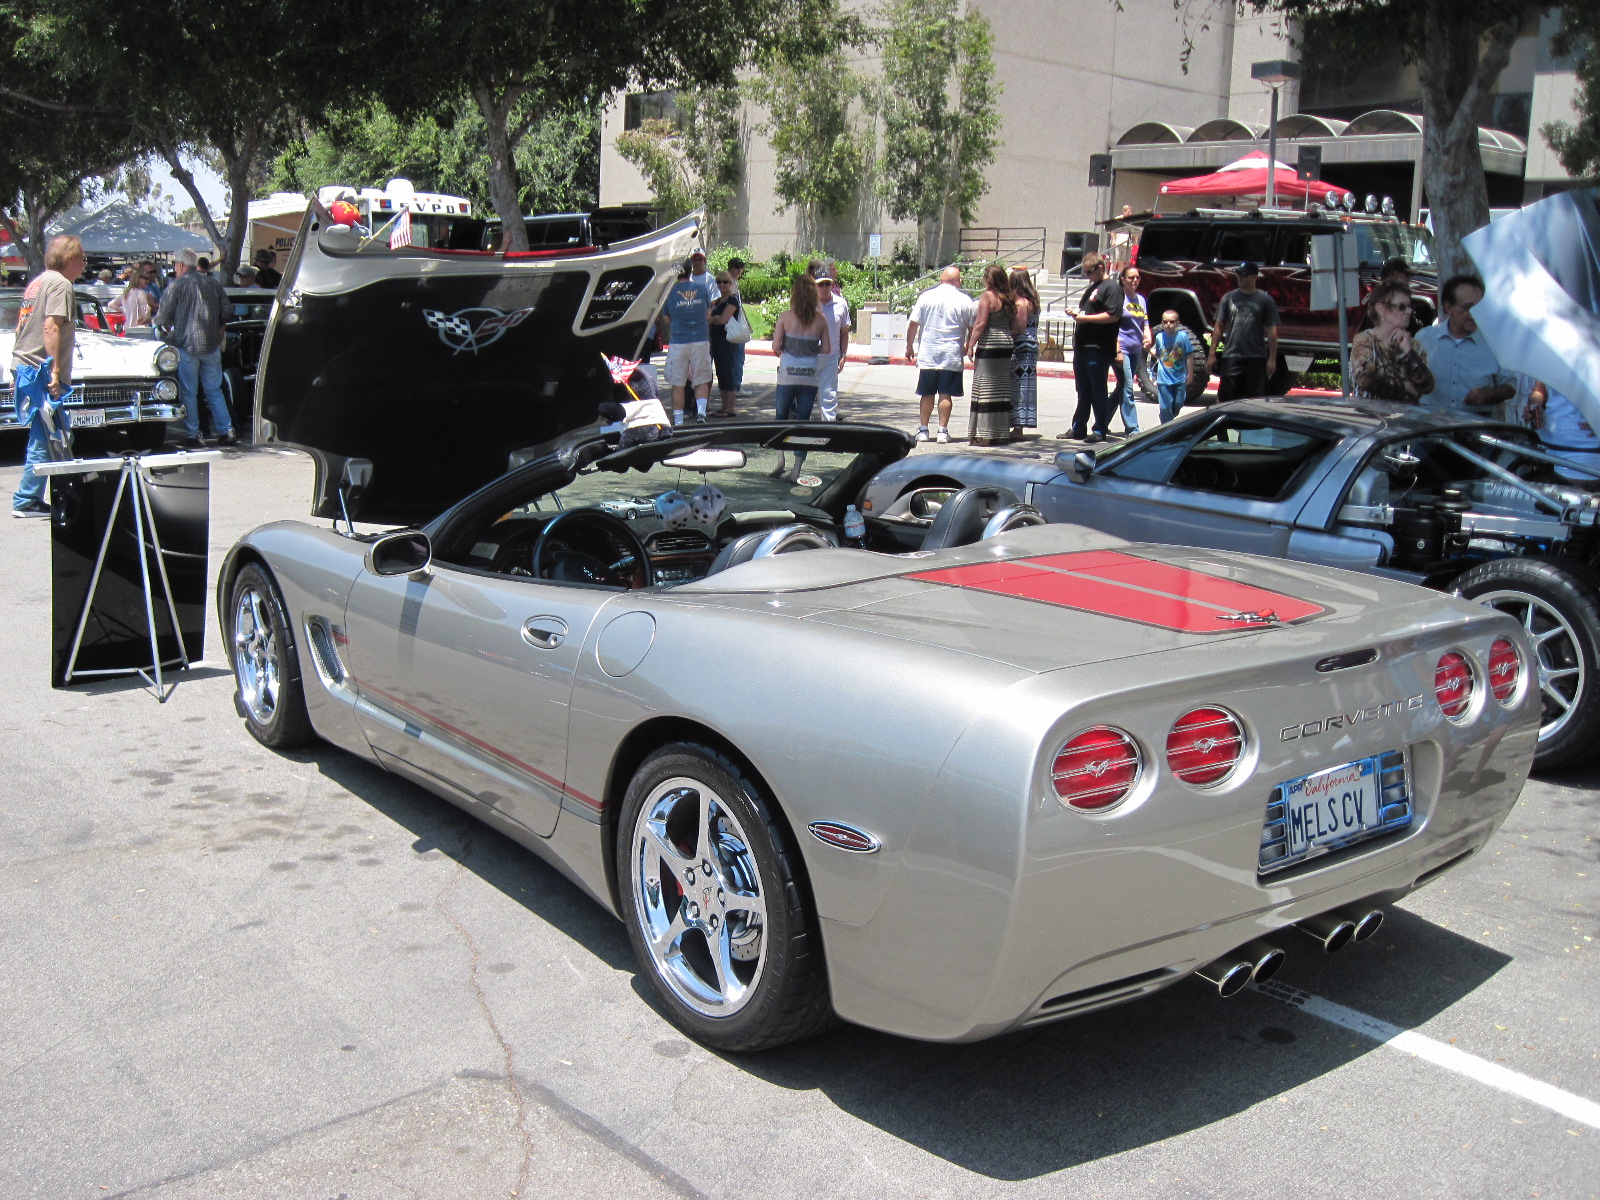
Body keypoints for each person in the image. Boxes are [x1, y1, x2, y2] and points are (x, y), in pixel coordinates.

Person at [11, 235, 85, 518]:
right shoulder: (61, 284)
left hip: (27, 366)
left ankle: (47, 495)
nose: (84, 263)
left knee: (56, 433)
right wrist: (54, 369)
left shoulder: (38, 282)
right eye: (81, 258)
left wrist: (15, 366)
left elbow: (23, 327)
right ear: (68, 259)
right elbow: (51, 326)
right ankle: (26, 499)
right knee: (48, 436)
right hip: (41, 370)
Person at [155, 246, 236, 448]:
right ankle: (226, 430)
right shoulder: (212, 283)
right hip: (211, 344)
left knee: (189, 392)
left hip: (187, 344)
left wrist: (166, 332)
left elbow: (162, 317)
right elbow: (227, 310)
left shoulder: (177, 285)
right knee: (214, 390)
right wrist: (218, 329)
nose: (175, 268)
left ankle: (194, 433)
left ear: (181, 265)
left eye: (175, 264)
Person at [1415, 272, 1516, 419]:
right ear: (1449, 307)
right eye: (1467, 308)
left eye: (1479, 308)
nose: (1473, 314)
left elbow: (1510, 387)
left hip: (1476, 429)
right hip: (1430, 426)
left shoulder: (1493, 344)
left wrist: (1488, 393)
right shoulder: (1425, 338)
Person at [769, 274, 830, 481]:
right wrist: (810, 346)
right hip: (809, 376)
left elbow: (776, 346)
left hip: (787, 375)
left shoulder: (785, 317)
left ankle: (780, 460)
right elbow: (827, 348)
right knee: (803, 422)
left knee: (781, 417)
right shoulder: (820, 320)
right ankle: (796, 470)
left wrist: (790, 346)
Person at [904, 266, 975, 443]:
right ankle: (942, 431)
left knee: (926, 393)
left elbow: (913, 324)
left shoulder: (926, 297)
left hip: (929, 352)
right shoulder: (965, 300)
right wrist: (970, 345)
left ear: (941, 279)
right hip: (951, 353)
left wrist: (909, 346)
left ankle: (924, 429)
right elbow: (972, 326)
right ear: (959, 281)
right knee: (946, 394)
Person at [1064, 252, 1123, 442]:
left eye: (1089, 272)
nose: (1088, 275)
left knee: (1098, 389)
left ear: (1100, 268)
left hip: (1098, 347)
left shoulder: (1112, 288)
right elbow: (1089, 310)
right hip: (1083, 345)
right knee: (1083, 390)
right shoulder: (1094, 288)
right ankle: (1078, 427)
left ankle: (1099, 429)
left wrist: (1085, 318)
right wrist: (1077, 313)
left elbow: (1113, 315)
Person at [1350, 282, 1434, 403]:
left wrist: (1408, 352)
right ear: (1381, 309)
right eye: (1401, 307)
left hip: (1406, 417)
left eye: (1409, 307)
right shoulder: (1365, 340)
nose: (1409, 312)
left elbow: (1427, 385)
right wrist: (1406, 386)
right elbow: (1366, 379)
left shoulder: (1413, 344)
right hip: (1372, 416)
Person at [1207, 262, 1278, 403]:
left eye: (1243, 274)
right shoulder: (1228, 298)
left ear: (1254, 277)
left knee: (1255, 401)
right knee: (1226, 400)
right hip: (1232, 356)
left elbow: (1272, 330)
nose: (1239, 277)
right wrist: (1211, 354)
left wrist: (1272, 358)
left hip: (1256, 357)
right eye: (1237, 274)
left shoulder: (1265, 300)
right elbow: (1219, 326)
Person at [655, 257, 715, 424]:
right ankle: (701, 412)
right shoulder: (702, 289)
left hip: (679, 341)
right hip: (700, 339)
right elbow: (707, 312)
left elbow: (666, 320)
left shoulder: (669, 292)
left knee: (678, 383)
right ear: (691, 271)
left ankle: (679, 419)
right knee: (702, 378)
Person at [965, 263, 1015, 445]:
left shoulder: (987, 296)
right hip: (1006, 342)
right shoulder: (1008, 297)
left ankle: (984, 435)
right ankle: (998, 432)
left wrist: (970, 345)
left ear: (988, 279)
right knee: (1000, 389)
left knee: (984, 387)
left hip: (990, 343)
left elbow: (980, 323)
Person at [1525, 383, 1600, 485]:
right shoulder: (1551, 365)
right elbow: (1539, 389)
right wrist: (1534, 404)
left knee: (1570, 496)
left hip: (1584, 451)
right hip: (1546, 449)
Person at [1112, 264, 1154, 435]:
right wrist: (1118, 351)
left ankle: (1101, 421)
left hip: (1136, 349)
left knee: (1122, 386)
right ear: (1122, 279)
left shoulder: (1141, 299)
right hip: (1122, 349)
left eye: (1137, 277)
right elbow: (1112, 326)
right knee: (1128, 386)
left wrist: (1148, 335)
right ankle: (1133, 428)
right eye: (1131, 277)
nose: (1135, 280)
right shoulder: (1118, 298)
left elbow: (1145, 322)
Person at [813, 264, 851, 422]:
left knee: (828, 396)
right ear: (814, 285)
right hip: (810, 355)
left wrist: (843, 354)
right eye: (820, 284)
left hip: (831, 356)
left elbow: (844, 332)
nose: (824, 287)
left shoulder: (841, 304)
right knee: (807, 396)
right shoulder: (809, 304)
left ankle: (828, 429)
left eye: (827, 283)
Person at [1008, 267, 1040, 439]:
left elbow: (1020, 327)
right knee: (1026, 386)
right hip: (1032, 345)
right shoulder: (1033, 300)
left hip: (1020, 346)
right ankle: (1021, 423)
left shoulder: (1020, 302)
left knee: (1017, 387)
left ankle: (1017, 427)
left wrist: (1007, 332)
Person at [1151, 310, 1197, 424]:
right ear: (1162, 323)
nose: (1168, 324)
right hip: (1164, 379)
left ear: (1177, 323)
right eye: (1165, 322)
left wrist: (1190, 373)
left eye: (1172, 322)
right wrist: (1147, 349)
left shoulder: (1182, 337)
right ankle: (1165, 428)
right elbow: (1158, 354)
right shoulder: (1159, 337)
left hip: (1179, 378)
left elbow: (1189, 355)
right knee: (1166, 407)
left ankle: (1168, 420)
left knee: (1178, 403)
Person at [708, 271, 744, 417]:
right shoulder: (716, 302)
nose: (722, 284)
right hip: (715, 340)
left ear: (731, 283)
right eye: (719, 281)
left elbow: (723, 320)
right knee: (720, 373)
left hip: (727, 341)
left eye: (725, 282)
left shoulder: (733, 300)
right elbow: (709, 318)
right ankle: (724, 406)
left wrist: (714, 318)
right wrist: (714, 318)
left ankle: (730, 407)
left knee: (728, 372)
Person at [726, 256, 750, 397]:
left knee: (734, 358)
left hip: (733, 322)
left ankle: (734, 386)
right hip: (733, 323)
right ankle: (735, 386)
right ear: (732, 268)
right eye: (738, 268)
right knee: (737, 357)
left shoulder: (731, 281)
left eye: (741, 267)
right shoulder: (730, 283)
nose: (740, 270)